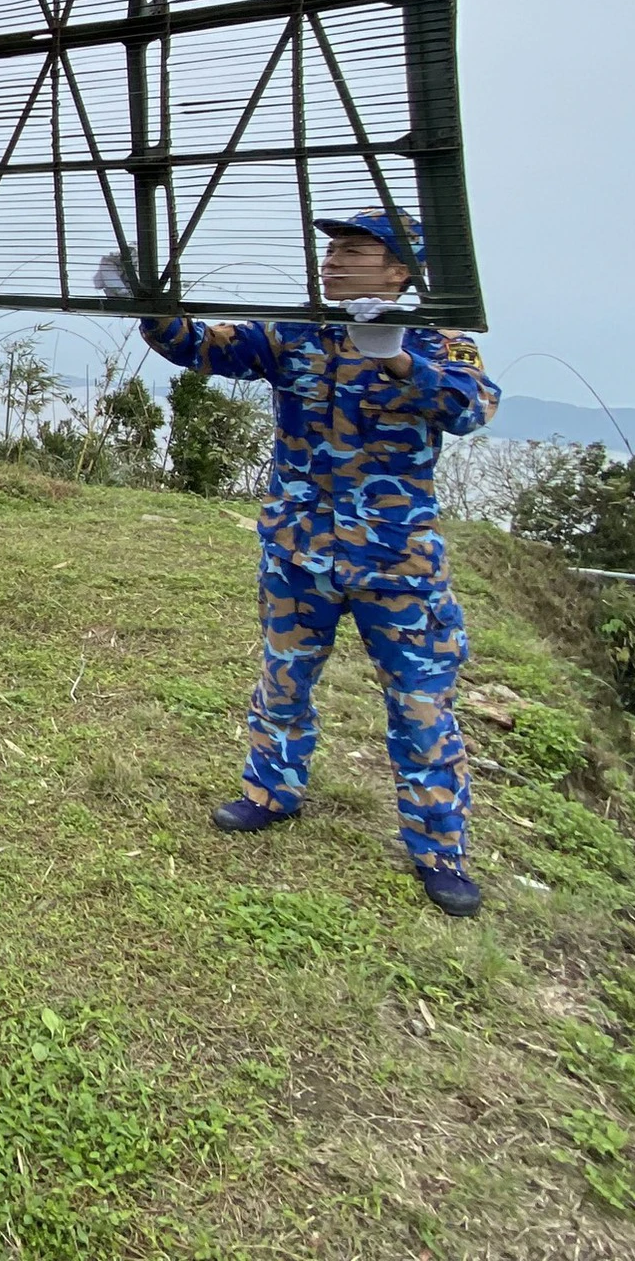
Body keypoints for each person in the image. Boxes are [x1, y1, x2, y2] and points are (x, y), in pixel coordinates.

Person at [105, 209, 500, 917]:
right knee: (283, 683)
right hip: (299, 553)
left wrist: (396, 357)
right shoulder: (297, 333)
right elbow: (207, 346)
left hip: (395, 563)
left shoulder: (441, 340)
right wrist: (150, 309)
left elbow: (470, 406)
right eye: (331, 250)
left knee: (419, 704)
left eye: (354, 250)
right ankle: (270, 792)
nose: (334, 262)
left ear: (400, 271)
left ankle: (440, 850)